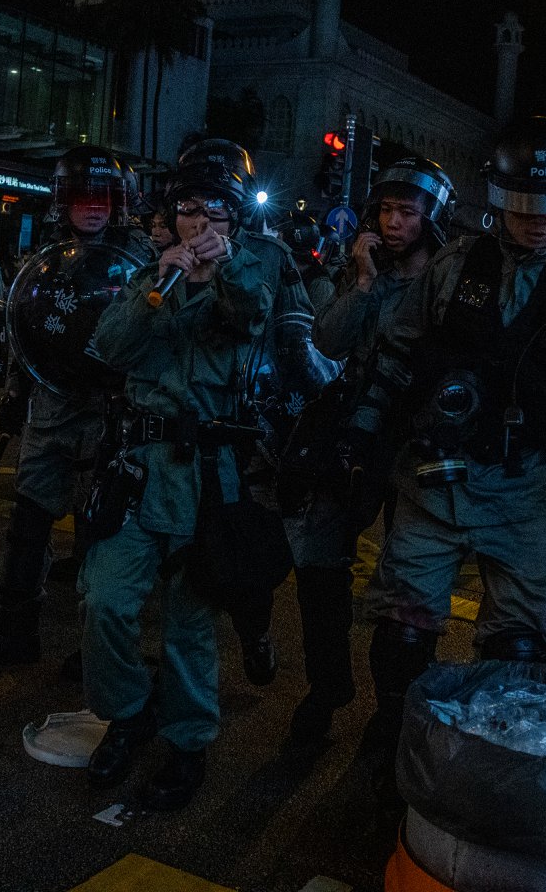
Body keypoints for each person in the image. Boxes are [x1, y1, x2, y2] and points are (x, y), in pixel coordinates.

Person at [346, 117, 546, 802]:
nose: (537, 221)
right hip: (435, 481)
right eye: (523, 205)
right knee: (403, 629)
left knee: (517, 648)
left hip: (528, 491)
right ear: (498, 199)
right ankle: (394, 733)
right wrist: (363, 433)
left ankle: (496, 755)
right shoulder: (453, 269)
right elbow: (397, 352)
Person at [80, 157, 274, 811]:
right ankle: (129, 713)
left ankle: (188, 741)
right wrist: (156, 285)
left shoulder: (247, 274)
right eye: (189, 209)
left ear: (234, 222)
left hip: (207, 475)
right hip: (138, 469)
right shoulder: (148, 278)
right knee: (105, 600)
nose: (200, 222)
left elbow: (252, 315)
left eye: (215, 211)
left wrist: (224, 271)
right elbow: (110, 348)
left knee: (189, 623)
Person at [0, 148, 155, 669]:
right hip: (50, 407)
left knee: (100, 533)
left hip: (111, 414)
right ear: (63, 200)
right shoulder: (47, 257)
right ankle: (15, 633)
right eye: (82, 196)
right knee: (28, 524)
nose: (93, 207)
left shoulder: (141, 261)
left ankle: (94, 648)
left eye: (103, 197)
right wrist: (14, 392)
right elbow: (25, 329)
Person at [288, 155, 455, 743]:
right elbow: (327, 341)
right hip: (349, 434)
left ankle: (395, 710)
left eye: (407, 212)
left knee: (409, 587)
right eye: (385, 210)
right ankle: (326, 685)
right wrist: (361, 281)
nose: (393, 223)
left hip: (412, 441)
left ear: (431, 218)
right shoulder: (362, 270)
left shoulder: (449, 280)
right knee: (317, 563)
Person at [175, 137, 314, 686]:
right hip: (183, 420)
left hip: (246, 427)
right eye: (195, 200)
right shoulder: (165, 250)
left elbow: (297, 335)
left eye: (218, 200)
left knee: (241, 549)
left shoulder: (270, 256)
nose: (204, 214)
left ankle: (254, 630)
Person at [276, 211, 338, 311]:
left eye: (279, 238)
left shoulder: (321, 286)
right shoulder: (283, 275)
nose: (276, 243)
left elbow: (321, 320)